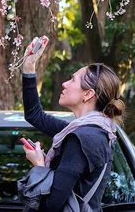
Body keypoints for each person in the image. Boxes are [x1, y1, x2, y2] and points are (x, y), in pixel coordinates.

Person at [19, 36, 125, 211]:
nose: (64, 83)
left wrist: (39, 166)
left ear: (88, 94)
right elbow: (34, 116)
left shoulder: (83, 139)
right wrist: (29, 66)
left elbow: (50, 206)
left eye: (73, 80)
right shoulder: (93, 131)